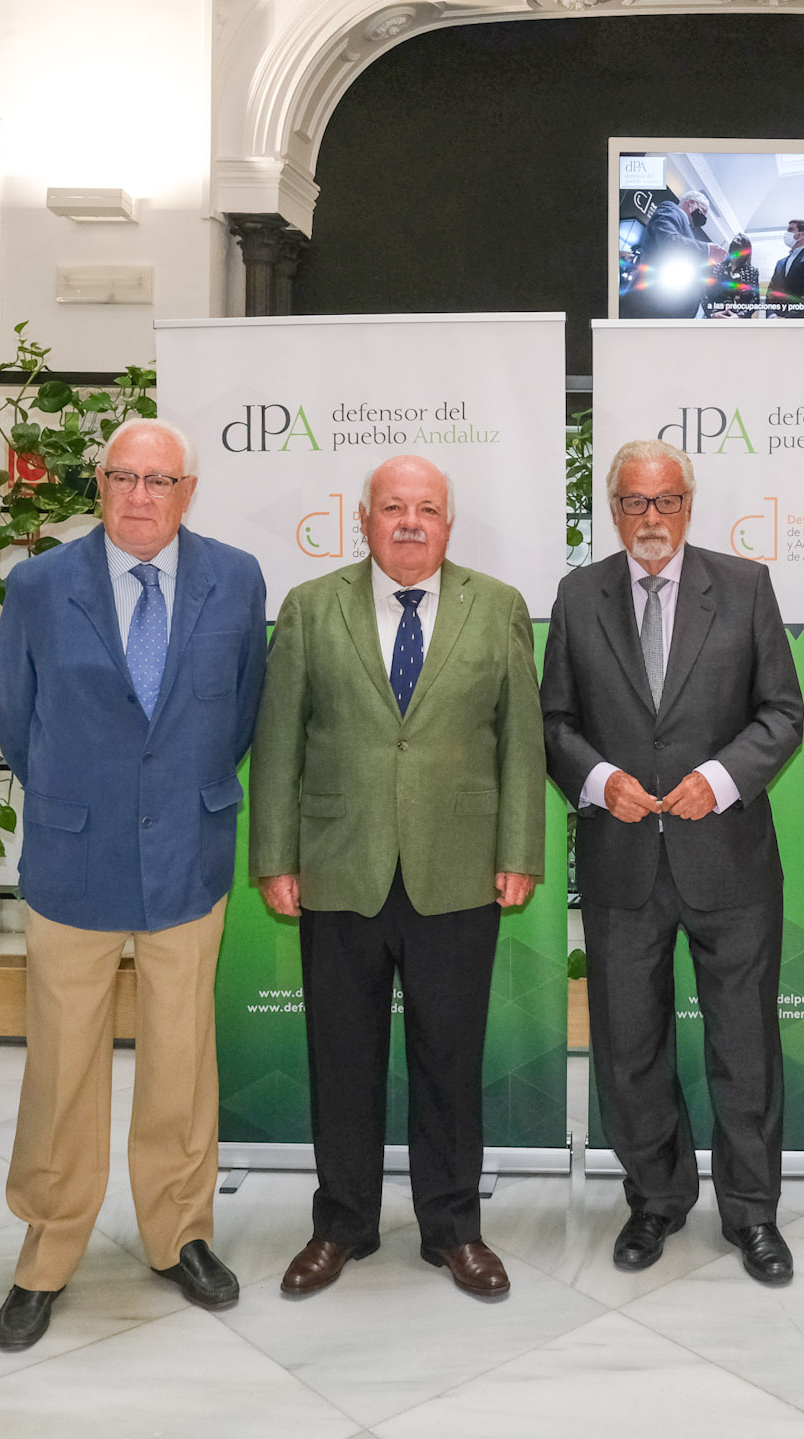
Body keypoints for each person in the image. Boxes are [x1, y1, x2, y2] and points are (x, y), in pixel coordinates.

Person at [0, 417, 268, 1349]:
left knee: (183, 1057)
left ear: (188, 491)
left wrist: (172, 793)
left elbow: (240, 711)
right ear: (98, 485)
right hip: (73, 854)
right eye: (123, 477)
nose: (140, 496)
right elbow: (17, 723)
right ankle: (48, 1246)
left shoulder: (236, 576)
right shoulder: (37, 585)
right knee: (63, 1058)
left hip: (188, 849)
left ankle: (179, 1232)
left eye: (159, 480)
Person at [253, 455, 544, 1300]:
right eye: (393, 508)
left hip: (458, 871)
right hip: (339, 867)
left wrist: (519, 850)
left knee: (449, 1061)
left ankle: (454, 1228)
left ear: (448, 524)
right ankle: (341, 1223)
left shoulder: (498, 606)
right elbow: (279, 743)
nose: (409, 521)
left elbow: (520, 741)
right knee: (341, 1057)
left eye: (426, 509)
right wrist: (275, 858)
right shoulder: (311, 609)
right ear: (365, 519)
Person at [541, 439, 804, 1284]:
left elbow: (782, 713)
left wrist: (722, 779)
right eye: (632, 503)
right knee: (628, 1046)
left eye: (664, 501)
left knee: (745, 1046)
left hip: (728, 859)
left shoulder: (744, 585)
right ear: (612, 509)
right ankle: (655, 1199)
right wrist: (598, 777)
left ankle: (752, 1213)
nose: (649, 519)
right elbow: (554, 722)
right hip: (622, 860)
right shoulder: (578, 595)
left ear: (688, 504)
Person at [627, 189, 721, 319]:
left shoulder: (689, 235)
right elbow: (669, 241)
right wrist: (708, 249)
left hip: (668, 309)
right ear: (690, 203)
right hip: (650, 303)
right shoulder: (671, 209)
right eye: (703, 211)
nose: (703, 217)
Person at [764, 218, 804, 317]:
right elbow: (771, 291)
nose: (786, 233)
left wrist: (791, 317)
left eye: (791, 230)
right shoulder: (780, 263)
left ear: (802, 235)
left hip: (803, 320)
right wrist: (771, 314)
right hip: (777, 319)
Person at [703, 233, 762, 318]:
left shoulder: (752, 272)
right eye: (735, 240)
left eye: (739, 241)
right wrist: (712, 314)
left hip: (740, 320)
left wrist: (739, 316)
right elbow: (704, 294)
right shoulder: (716, 268)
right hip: (717, 317)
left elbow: (755, 300)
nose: (736, 241)